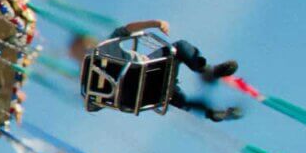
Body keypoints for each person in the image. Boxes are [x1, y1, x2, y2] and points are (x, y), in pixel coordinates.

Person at [102, 20, 242, 122]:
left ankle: (211, 112)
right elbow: (127, 29)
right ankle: (206, 71)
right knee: (179, 47)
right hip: (146, 73)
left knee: (176, 98)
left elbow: (95, 105)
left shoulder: (93, 82)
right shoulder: (104, 49)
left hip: (137, 97)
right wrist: (156, 23)